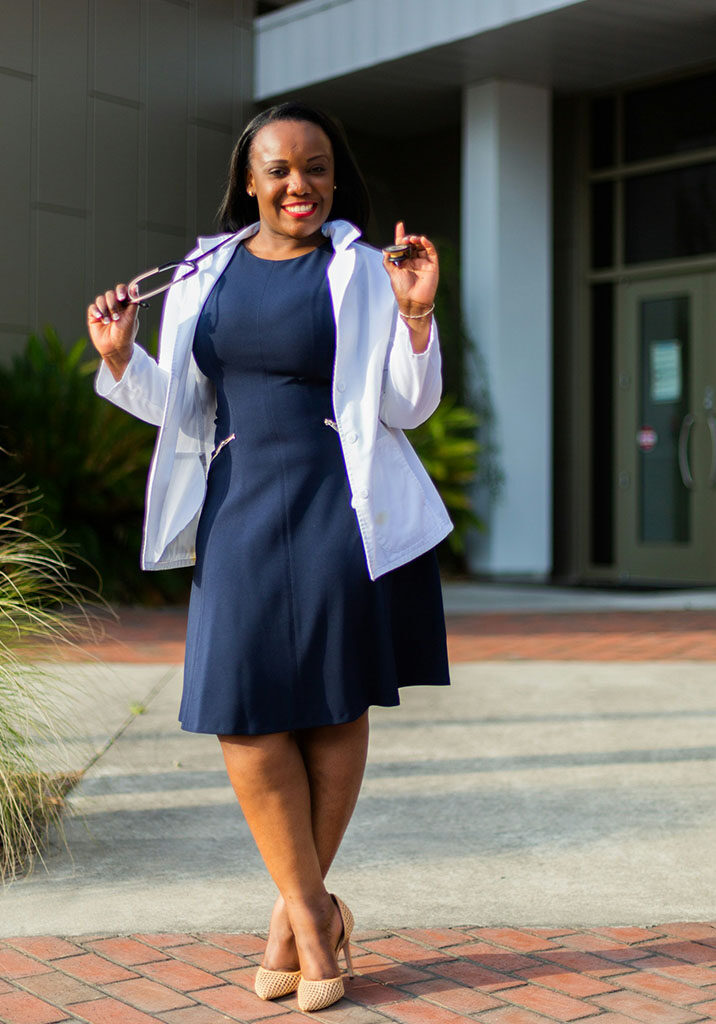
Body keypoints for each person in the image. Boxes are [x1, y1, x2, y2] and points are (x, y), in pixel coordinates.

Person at [87, 101, 452, 1014]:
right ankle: (316, 908)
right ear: (248, 180)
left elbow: (405, 408)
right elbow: (186, 406)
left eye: (317, 168)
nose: (301, 185)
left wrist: (417, 316)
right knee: (241, 713)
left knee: (331, 707)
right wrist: (123, 357)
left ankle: (293, 929)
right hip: (239, 503)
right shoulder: (204, 270)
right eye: (281, 169)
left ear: (335, 177)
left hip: (338, 498)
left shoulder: (366, 270)